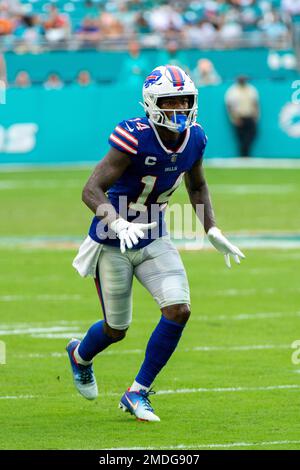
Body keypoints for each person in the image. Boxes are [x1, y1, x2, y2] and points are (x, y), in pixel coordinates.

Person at [67, 65, 245, 422]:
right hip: (111, 240)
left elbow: (197, 185)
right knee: (116, 329)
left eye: (185, 100)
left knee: (179, 308)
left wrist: (212, 229)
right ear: (151, 103)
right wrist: (116, 223)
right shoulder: (134, 136)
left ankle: (138, 392)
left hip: (155, 234)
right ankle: (80, 356)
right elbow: (90, 189)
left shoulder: (195, 137)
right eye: (171, 100)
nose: (180, 107)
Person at [225, 75, 259, 157]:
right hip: (239, 116)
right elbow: (229, 105)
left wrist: (256, 115)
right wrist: (233, 117)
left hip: (249, 116)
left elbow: (255, 103)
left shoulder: (251, 89)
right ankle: (243, 155)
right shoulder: (232, 91)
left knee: (252, 134)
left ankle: (246, 153)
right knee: (241, 137)